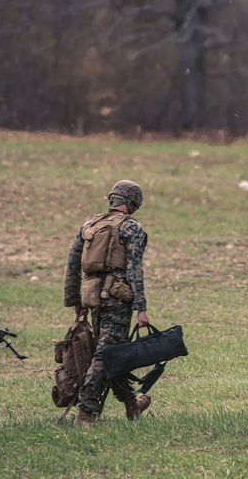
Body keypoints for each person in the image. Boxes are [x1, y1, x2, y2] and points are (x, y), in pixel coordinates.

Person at [63, 180, 152, 424]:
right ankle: (85, 411)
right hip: (117, 298)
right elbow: (135, 270)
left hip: (92, 296)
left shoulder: (90, 225)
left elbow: (72, 265)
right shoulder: (132, 228)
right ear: (132, 204)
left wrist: (75, 299)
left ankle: (132, 403)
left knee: (116, 352)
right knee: (107, 354)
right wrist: (141, 308)